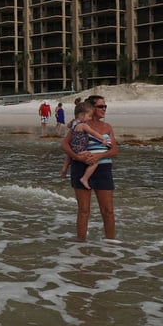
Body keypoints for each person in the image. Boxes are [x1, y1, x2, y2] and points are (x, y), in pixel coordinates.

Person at [61, 95, 118, 241]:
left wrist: (98, 157)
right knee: (84, 211)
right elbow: (65, 145)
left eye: (105, 106)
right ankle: (81, 246)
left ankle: (110, 246)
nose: (104, 109)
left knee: (108, 211)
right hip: (80, 167)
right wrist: (77, 157)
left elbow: (114, 151)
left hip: (103, 169)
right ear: (92, 108)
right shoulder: (80, 125)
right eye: (101, 106)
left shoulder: (107, 127)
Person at [60, 101, 112, 189]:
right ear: (82, 115)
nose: (90, 118)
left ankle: (64, 168)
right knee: (94, 163)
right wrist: (102, 139)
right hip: (81, 150)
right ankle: (85, 178)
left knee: (69, 155)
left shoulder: (74, 123)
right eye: (89, 116)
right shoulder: (84, 125)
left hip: (74, 147)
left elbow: (69, 126)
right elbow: (93, 133)